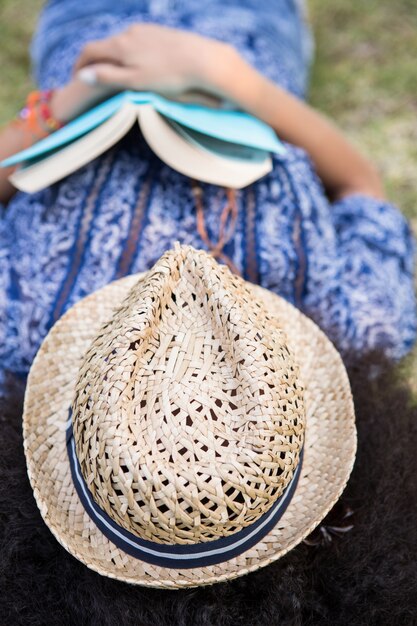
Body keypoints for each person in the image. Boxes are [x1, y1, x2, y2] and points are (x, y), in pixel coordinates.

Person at [0, 0, 415, 397]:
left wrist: (71, 99)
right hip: (249, 24)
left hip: (89, 26)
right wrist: (227, 74)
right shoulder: (336, 334)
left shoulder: (27, 344)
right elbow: (359, 183)